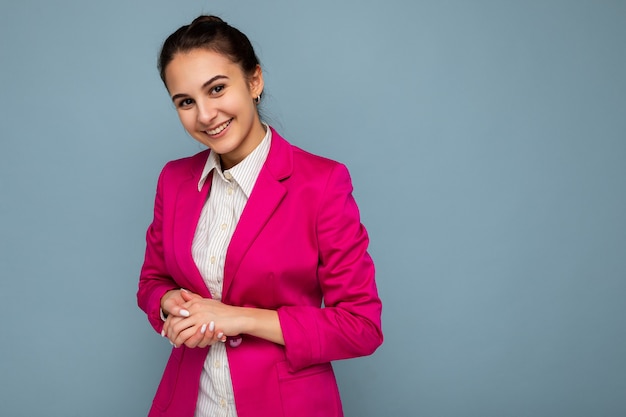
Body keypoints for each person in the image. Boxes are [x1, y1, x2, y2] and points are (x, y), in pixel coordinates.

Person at [137, 15, 383, 417]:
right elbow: (152, 280)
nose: (205, 115)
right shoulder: (173, 181)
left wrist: (237, 319)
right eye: (186, 102)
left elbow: (361, 326)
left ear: (254, 81)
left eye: (217, 89)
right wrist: (169, 304)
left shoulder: (322, 184)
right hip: (189, 402)